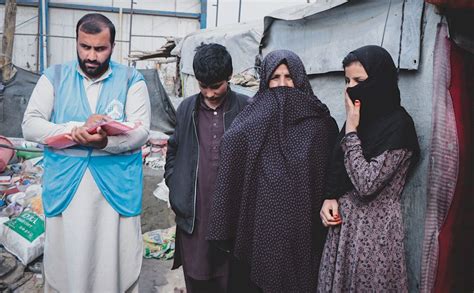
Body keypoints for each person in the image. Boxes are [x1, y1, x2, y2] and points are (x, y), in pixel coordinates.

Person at [22, 13, 150, 292]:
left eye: (100, 49)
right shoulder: (54, 76)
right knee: (67, 263)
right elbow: (30, 124)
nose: (91, 56)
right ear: (77, 43)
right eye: (85, 47)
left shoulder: (132, 79)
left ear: (113, 46)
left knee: (115, 262)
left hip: (114, 189)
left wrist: (104, 143)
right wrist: (74, 130)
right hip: (67, 187)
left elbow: (141, 131)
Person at [206, 49, 338, 292]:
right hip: (258, 231)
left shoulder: (319, 124)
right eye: (275, 78)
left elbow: (329, 174)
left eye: (289, 77)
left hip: (302, 232)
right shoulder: (251, 118)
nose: (282, 85)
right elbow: (233, 145)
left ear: (300, 79)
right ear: (265, 81)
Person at [318, 45, 420, 292]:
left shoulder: (399, 127)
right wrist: (329, 197)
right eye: (347, 80)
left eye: (359, 80)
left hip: (373, 236)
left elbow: (366, 183)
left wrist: (351, 131)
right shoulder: (359, 118)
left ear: (379, 80)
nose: (351, 88)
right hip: (344, 231)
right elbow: (337, 165)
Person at [164, 43, 250, 293]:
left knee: (232, 280)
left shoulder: (246, 108)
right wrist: (176, 183)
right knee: (197, 276)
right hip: (195, 217)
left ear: (229, 77)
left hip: (232, 219)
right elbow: (174, 150)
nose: (210, 93)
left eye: (216, 86)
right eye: (203, 86)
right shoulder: (186, 109)